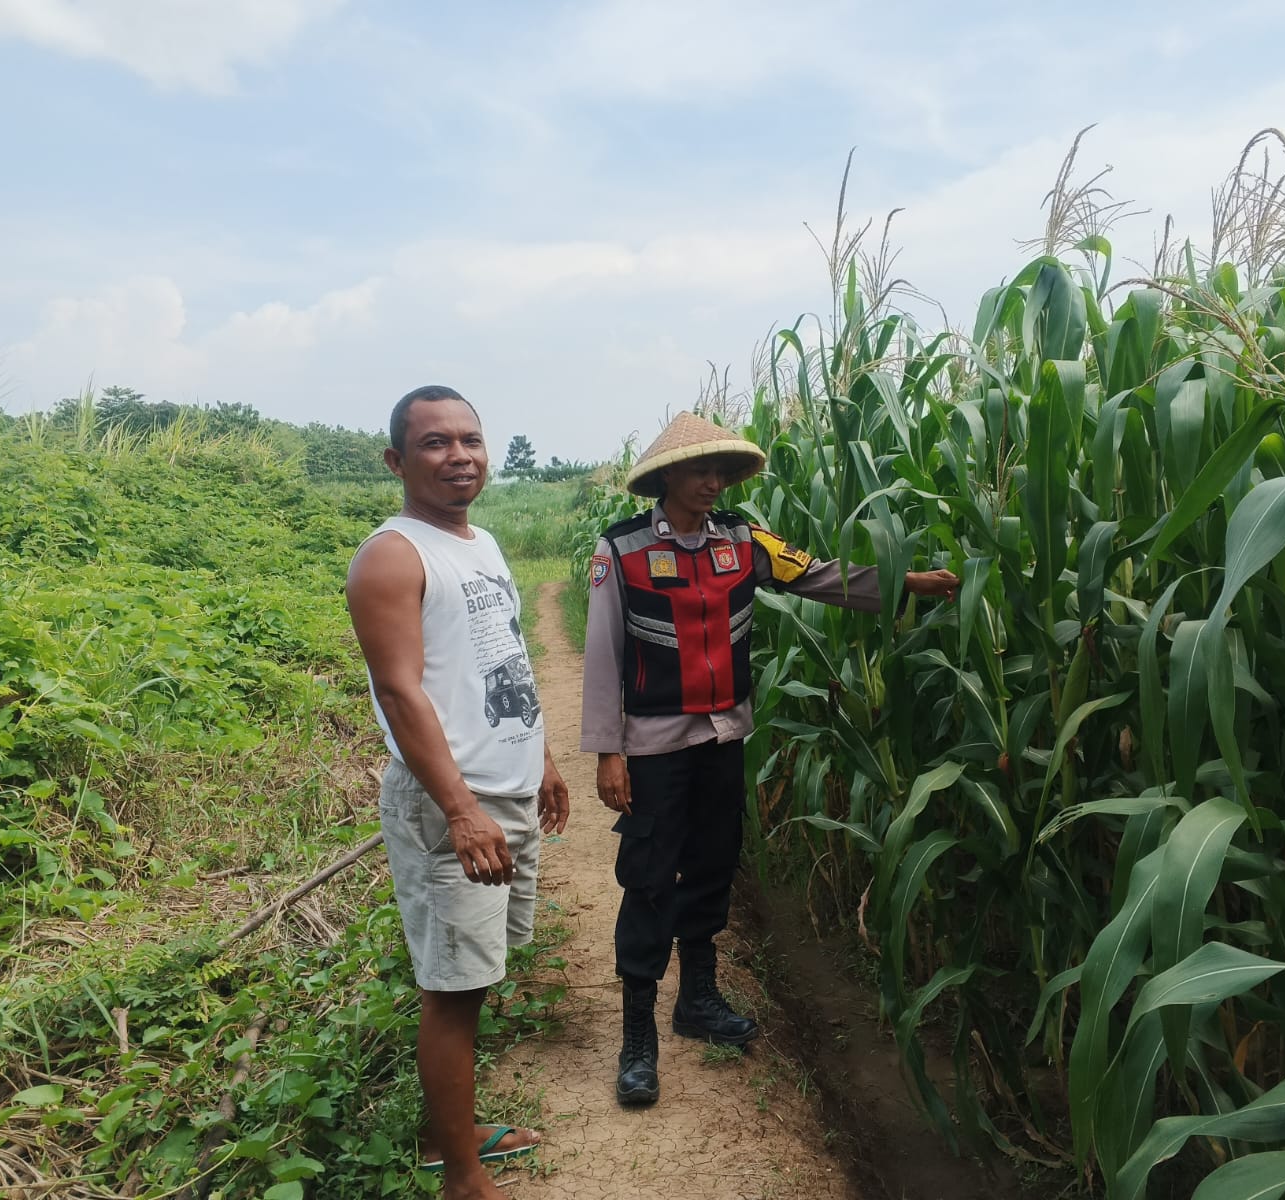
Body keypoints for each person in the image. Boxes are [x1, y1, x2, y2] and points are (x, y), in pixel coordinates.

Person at [580, 411, 958, 1106]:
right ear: (666, 476)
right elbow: (603, 655)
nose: (711, 482)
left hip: (725, 739)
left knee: (714, 863)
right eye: (699, 470)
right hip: (656, 746)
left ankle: (697, 999)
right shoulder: (622, 550)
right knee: (649, 877)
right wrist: (609, 751)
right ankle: (639, 1035)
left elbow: (818, 576)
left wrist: (906, 582)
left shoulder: (745, 541)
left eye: (720, 471)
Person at [346, 385, 570, 1200]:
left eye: (470, 439)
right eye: (435, 443)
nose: (460, 456)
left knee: (477, 976)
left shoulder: (482, 543)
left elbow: (499, 660)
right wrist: (463, 809)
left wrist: (540, 757)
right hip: (457, 802)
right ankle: (462, 1175)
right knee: (452, 989)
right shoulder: (393, 555)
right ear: (397, 461)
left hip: (502, 789)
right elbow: (402, 694)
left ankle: (455, 1130)